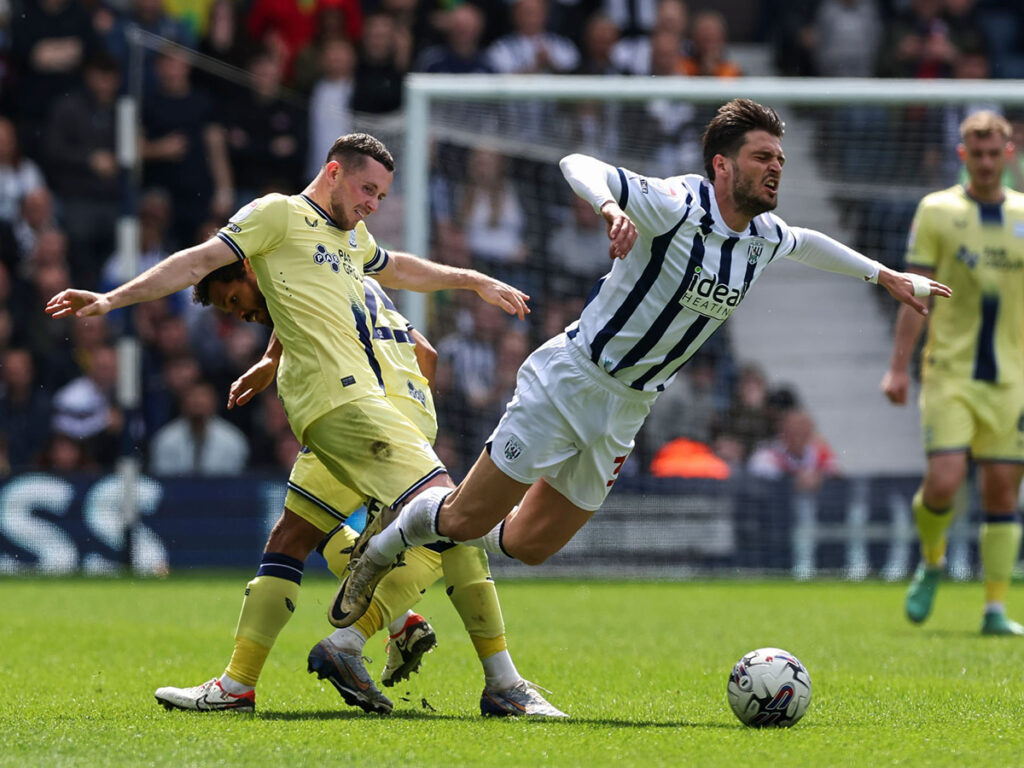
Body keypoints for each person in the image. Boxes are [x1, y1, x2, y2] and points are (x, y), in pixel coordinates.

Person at [339, 98, 952, 628]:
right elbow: (576, 163)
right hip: (571, 378)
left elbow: (808, 242)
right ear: (723, 164)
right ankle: (382, 546)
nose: (775, 170)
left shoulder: (762, 234)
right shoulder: (675, 203)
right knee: (470, 517)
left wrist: (882, 275)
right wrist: (611, 208)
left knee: (529, 545)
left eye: (781, 161)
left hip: (629, 408)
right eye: (763, 157)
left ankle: (442, 527)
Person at [45, 133, 558, 715]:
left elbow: (397, 270)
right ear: (334, 172)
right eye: (368, 189)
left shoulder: (349, 237)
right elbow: (198, 261)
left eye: (382, 196)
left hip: (338, 408)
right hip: (346, 405)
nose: (373, 204)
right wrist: (112, 300)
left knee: (290, 539)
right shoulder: (277, 214)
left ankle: (236, 686)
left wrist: (471, 279)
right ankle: (491, 677)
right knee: (455, 516)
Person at [154, 277, 562, 716]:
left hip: (361, 420)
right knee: (355, 533)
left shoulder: (297, 267)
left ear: (253, 271)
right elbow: (427, 353)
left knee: (443, 530)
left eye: (235, 299)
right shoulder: (356, 279)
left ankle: (274, 671)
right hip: (398, 416)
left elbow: (274, 287)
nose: (242, 314)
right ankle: (413, 634)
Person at [881, 110, 1024, 636]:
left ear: (1008, 154)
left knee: (1003, 493)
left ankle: (994, 610)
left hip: (1012, 378)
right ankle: (933, 560)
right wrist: (897, 368)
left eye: (995, 154)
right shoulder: (937, 210)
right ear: (963, 156)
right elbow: (913, 293)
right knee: (944, 482)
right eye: (976, 154)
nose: (986, 164)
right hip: (950, 371)